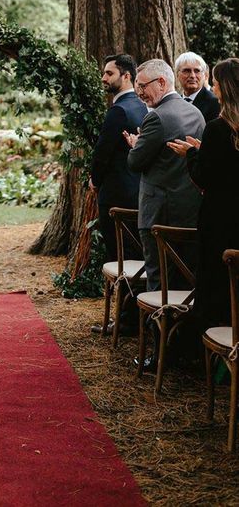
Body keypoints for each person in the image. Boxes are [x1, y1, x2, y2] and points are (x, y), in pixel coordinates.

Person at [168, 57, 239, 333]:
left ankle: (210, 354)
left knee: (215, 282)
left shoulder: (218, 128)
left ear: (226, 88)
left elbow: (203, 177)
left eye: (217, 83)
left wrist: (193, 153)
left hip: (219, 218)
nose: (214, 87)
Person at [126, 58, 204, 294]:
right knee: (185, 278)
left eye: (142, 86)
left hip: (158, 214)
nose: (140, 93)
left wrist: (136, 144)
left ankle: (156, 329)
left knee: (158, 278)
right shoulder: (196, 113)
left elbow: (134, 162)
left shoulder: (156, 117)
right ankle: (181, 330)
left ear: (161, 82)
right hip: (190, 211)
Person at [89, 53, 146, 261]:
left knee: (118, 253)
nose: (104, 78)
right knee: (136, 253)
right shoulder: (142, 106)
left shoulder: (119, 111)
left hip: (116, 195)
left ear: (127, 76)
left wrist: (95, 180)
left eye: (109, 73)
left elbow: (102, 153)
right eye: (104, 73)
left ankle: (124, 294)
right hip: (139, 191)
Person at [174, 51, 221, 122]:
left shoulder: (214, 103)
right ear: (177, 75)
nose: (192, 76)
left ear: (204, 75)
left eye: (197, 71)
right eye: (187, 71)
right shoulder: (175, 103)